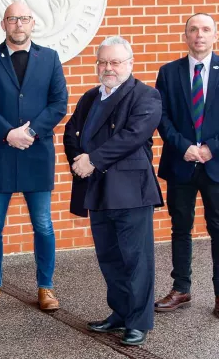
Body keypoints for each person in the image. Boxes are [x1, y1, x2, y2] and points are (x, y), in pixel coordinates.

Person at [63, 36, 162, 346]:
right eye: (103, 62)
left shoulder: (146, 96)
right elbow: (71, 131)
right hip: (97, 189)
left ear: (129, 64)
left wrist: (93, 159)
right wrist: (79, 160)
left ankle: (138, 322)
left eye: (115, 62)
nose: (108, 68)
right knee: (109, 258)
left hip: (131, 191)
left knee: (136, 259)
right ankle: (119, 313)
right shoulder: (90, 97)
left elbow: (132, 137)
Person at [0, 1, 68, 312]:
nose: (18, 24)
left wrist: (31, 132)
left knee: (43, 224)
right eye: (12, 19)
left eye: (23, 18)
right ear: (4, 24)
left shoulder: (50, 58)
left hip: (36, 152)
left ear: (32, 23)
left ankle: (46, 287)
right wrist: (8, 133)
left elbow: (59, 103)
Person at [154, 13, 219, 320]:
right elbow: (161, 116)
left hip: (217, 163)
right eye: (193, 29)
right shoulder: (168, 72)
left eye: (206, 29)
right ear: (185, 36)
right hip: (181, 162)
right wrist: (185, 147)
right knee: (180, 227)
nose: (199, 34)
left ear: (215, 35)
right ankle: (181, 289)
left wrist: (210, 148)